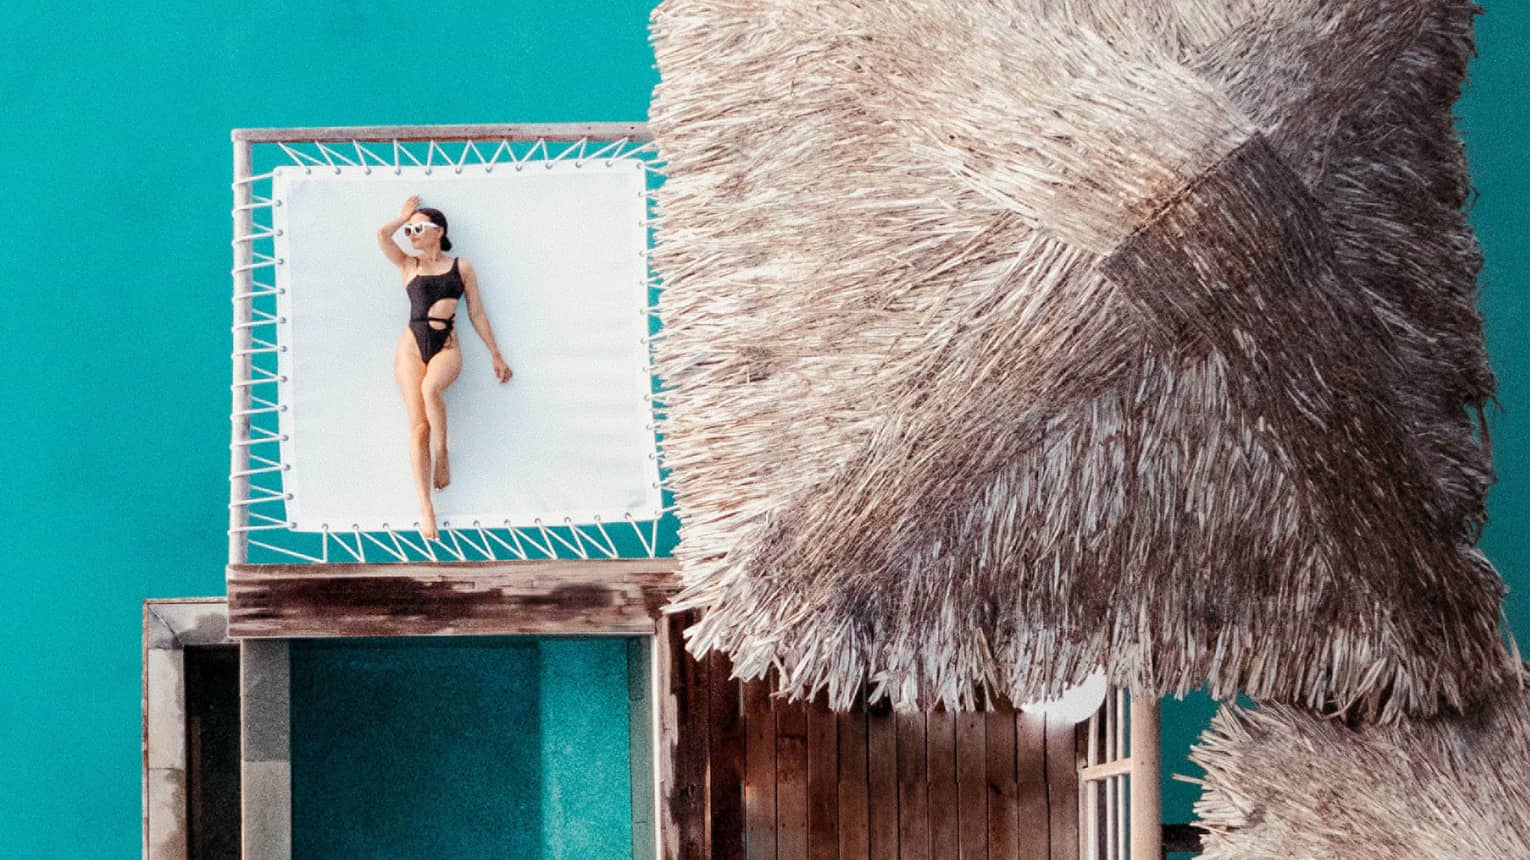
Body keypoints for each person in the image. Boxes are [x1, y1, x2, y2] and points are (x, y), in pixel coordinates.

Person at [376, 195, 512, 540]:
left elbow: (476, 313)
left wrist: (496, 353)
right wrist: (403, 215)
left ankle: (442, 452)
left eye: (418, 228)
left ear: (439, 231)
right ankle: (426, 507)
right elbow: (381, 236)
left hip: (446, 346)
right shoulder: (409, 265)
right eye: (408, 230)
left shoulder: (460, 267)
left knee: (430, 388)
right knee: (418, 426)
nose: (411, 234)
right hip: (411, 346)